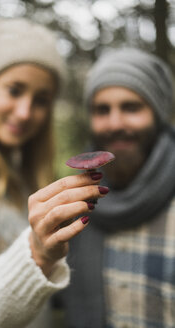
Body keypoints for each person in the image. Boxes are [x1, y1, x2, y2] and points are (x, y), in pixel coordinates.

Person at [0, 18, 109, 328]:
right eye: (14, 90)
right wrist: (37, 254)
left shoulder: (15, 170)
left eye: (41, 100)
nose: (25, 112)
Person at [62, 47, 175, 328]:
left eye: (131, 107)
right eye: (102, 110)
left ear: (158, 112)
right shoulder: (73, 205)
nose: (115, 123)